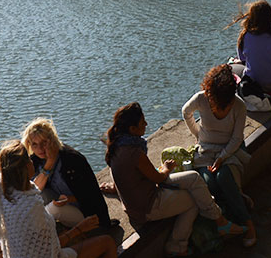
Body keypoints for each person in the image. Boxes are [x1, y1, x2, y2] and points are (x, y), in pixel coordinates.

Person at [105, 102, 244, 257]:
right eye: (142, 123)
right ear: (132, 129)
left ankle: (220, 221)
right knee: (194, 200)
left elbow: (126, 175)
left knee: (193, 178)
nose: (146, 124)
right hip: (147, 207)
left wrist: (114, 187)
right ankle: (177, 246)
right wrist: (166, 168)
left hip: (142, 196)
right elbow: (158, 178)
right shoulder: (134, 153)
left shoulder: (116, 146)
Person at [0, 140, 116, 258]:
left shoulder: (0, 190)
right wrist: (80, 228)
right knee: (107, 242)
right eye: (29, 159)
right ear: (26, 167)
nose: (32, 161)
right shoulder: (30, 205)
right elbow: (51, 250)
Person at [181, 64, 257, 247]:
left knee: (224, 177)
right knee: (210, 183)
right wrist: (199, 135)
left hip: (230, 149)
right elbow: (186, 112)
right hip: (206, 151)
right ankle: (232, 215)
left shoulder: (238, 105)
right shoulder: (201, 99)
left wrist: (222, 157)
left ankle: (248, 224)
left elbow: (237, 138)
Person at [22, 118, 111, 229]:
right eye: (34, 144)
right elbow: (35, 189)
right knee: (38, 195)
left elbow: (90, 194)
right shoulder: (36, 159)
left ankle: (35, 230)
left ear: (52, 140)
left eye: (44, 143)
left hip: (86, 212)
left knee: (54, 209)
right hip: (62, 204)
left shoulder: (71, 159)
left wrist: (69, 199)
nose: (39, 149)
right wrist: (49, 162)